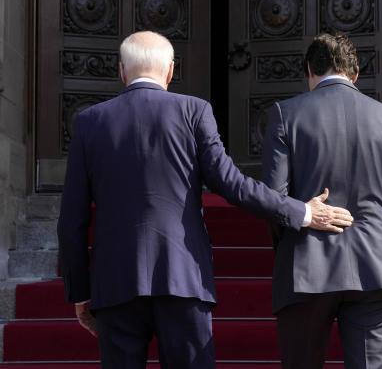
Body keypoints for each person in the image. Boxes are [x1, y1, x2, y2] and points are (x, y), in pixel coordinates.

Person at [57, 31, 354, 369]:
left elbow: (72, 220)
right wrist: (301, 211)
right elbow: (231, 183)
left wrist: (80, 291)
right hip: (183, 278)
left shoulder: (89, 121)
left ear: (122, 71)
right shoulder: (194, 111)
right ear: (170, 71)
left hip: (115, 283)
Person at [262, 33, 382, 369]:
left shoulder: (285, 114)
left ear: (310, 69)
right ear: (355, 73)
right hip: (374, 270)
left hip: (306, 266)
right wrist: (376, 237)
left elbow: (273, 201)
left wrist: (291, 239)